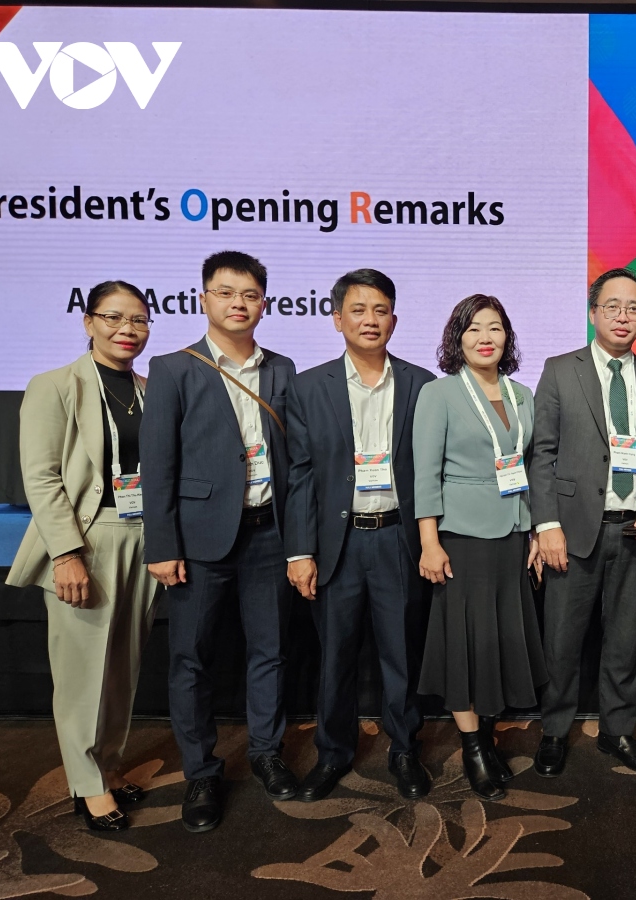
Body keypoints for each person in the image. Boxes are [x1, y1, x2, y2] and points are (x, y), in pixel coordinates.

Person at [140, 251, 298, 833]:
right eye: (226, 293)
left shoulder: (282, 368)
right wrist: (163, 544)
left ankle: (266, 752)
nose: (238, 303)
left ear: (264, 303)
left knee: (270, 651)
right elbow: (158, 465)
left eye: (250, 294)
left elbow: (294, 457)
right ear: (203, 298)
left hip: (269, 533)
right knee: (192, 658)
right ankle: (202, 773)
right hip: (199, 539)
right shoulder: (173, 369)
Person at [7, 281, 158, 832]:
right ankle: (87, 786)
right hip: (86, 540)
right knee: (81, 673)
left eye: (138, 320)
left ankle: (107, 768)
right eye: (113, 317)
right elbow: (41, 477)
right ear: (88, 321)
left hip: (144, 539)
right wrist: (66, 553)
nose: (127, 329)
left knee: (121, 670)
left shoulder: (149, 390)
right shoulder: (54, 386)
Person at [284, 268, 434, 802]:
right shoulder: (308, 386)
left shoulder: (422, 384)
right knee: (336, 655)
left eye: (380, 310)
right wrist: (300, 550)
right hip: (336, 545)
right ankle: (332, 753)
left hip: (397, 539)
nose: (370, 320)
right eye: (358, 310)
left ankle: (404, 749)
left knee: (401, 653)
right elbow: (299, 475)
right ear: (336, 319)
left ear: (394, 319)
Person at [529, 268, 636, 777]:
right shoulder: (559, 370)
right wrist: (546, 524)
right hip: (572, 532)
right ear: (593, 312)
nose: (622, 316)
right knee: (561, 641)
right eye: (612, 306)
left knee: (624, 643)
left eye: (633, 308)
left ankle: (618, 732)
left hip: (635, 531)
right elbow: (542, 454)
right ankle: (554, 731)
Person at [414, 294, 546, 801]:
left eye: (494, 328)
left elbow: (528, 467)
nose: (485, 337)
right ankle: (472, 747)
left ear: (507, 337)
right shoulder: (440, 393)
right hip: (462, 538)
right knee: (465, 643)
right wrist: (429, 541)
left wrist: (533, 530)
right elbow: (425, 473)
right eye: (473, 329)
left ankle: (487, 736)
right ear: (458, 339)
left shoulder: (522, 394)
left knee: (500, 640)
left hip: (511, 534)